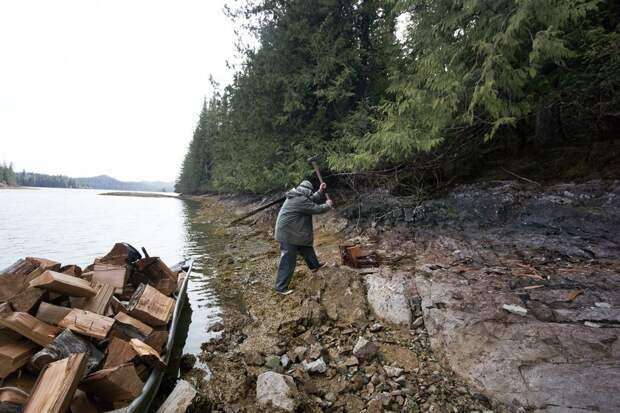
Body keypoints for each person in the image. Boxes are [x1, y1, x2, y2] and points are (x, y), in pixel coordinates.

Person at [274, 179, 333, 295]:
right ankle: (280, 287)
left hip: (293, 232)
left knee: (306, 247)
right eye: (310, 192)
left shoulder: (298, 195)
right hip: (287, 234)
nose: (310, 194)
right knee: (288, 260)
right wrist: (327, 205)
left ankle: (314, 266)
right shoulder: (299, 199)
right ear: (306, 191)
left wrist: (320, 191)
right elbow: (316, 208)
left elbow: (310, 199)